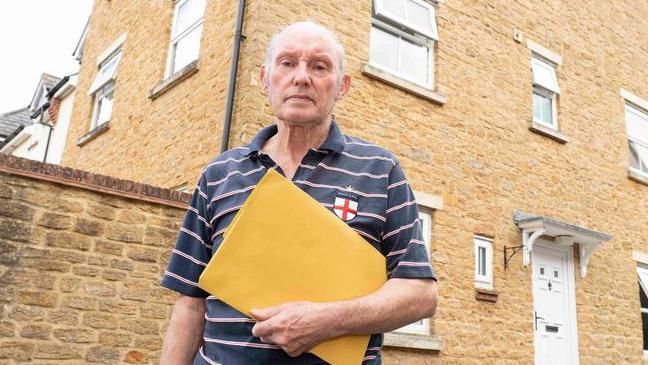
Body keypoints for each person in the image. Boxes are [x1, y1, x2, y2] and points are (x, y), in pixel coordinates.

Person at [160, 20, 438, 365]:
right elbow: (190, 302)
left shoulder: (380, 169)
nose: (301, 77)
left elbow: (420, 294)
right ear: (265, 79)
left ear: (343, 86)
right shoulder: (219, 174)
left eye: (319, 66)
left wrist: (328, 320)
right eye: (288, 63)